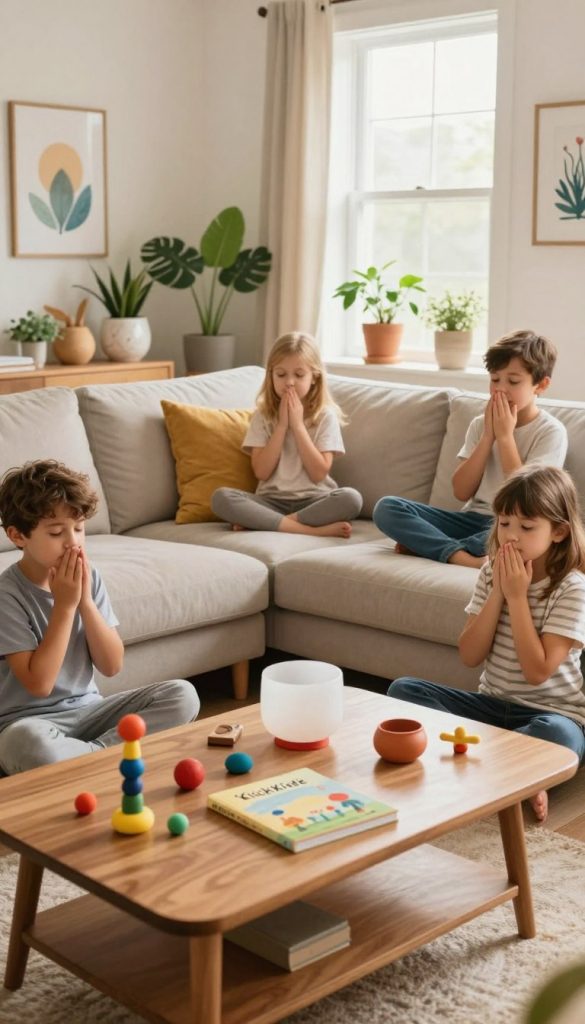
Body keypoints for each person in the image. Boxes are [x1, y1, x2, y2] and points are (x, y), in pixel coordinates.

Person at [388, 464, 585, 824]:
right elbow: (470, 655)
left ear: (558, 531)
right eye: (504, 523)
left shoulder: (571, 588)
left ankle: (491, 765)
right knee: (404, 690)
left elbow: (537, 672)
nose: (511, 536)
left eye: (527, 527)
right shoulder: (491, 573)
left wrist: (518, 597)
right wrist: (499, 591)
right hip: (490, 710)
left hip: (550, 714)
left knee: (560, 735)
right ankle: (520, 770)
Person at [0, 459, 200, 775]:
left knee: (182, 695)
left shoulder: (89, 578)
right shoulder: (7, 595)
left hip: (91, 711)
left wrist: (85, 603)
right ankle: (113, 756)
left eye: (79, 528)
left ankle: (88, 758)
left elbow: (111, 665)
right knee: (23, 744)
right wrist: (65, 606)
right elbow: (39, 684)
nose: (73, 542)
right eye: (56, 532)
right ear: (18, 535)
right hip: (29, 722)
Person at [373, 330, 568, 568]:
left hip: (510, 525)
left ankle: (430, 546)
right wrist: (488, 437)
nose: (500, 389)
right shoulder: (479, 425)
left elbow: (528, 501)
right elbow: (461, 492)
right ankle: (461, 556)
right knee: (387, 508)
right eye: (495, 379)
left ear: (541, 385)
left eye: (513, 381)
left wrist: (505, 437)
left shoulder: (550, 432)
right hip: (470, 520)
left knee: (515, 539)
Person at [212, 331, 362, 537]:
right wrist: (282, 425)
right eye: (281, 375)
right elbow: (262, 472)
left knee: (351, 498)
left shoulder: (325, 416)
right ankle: (311, 531)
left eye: (299, 375)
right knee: (221, 498)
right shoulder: (263, 416)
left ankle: (267, 523)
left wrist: (298, 426)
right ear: (271, 376)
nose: (289, 382)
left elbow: (318, 474)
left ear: (314, 377)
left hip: (314, 500)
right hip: (269, 502)